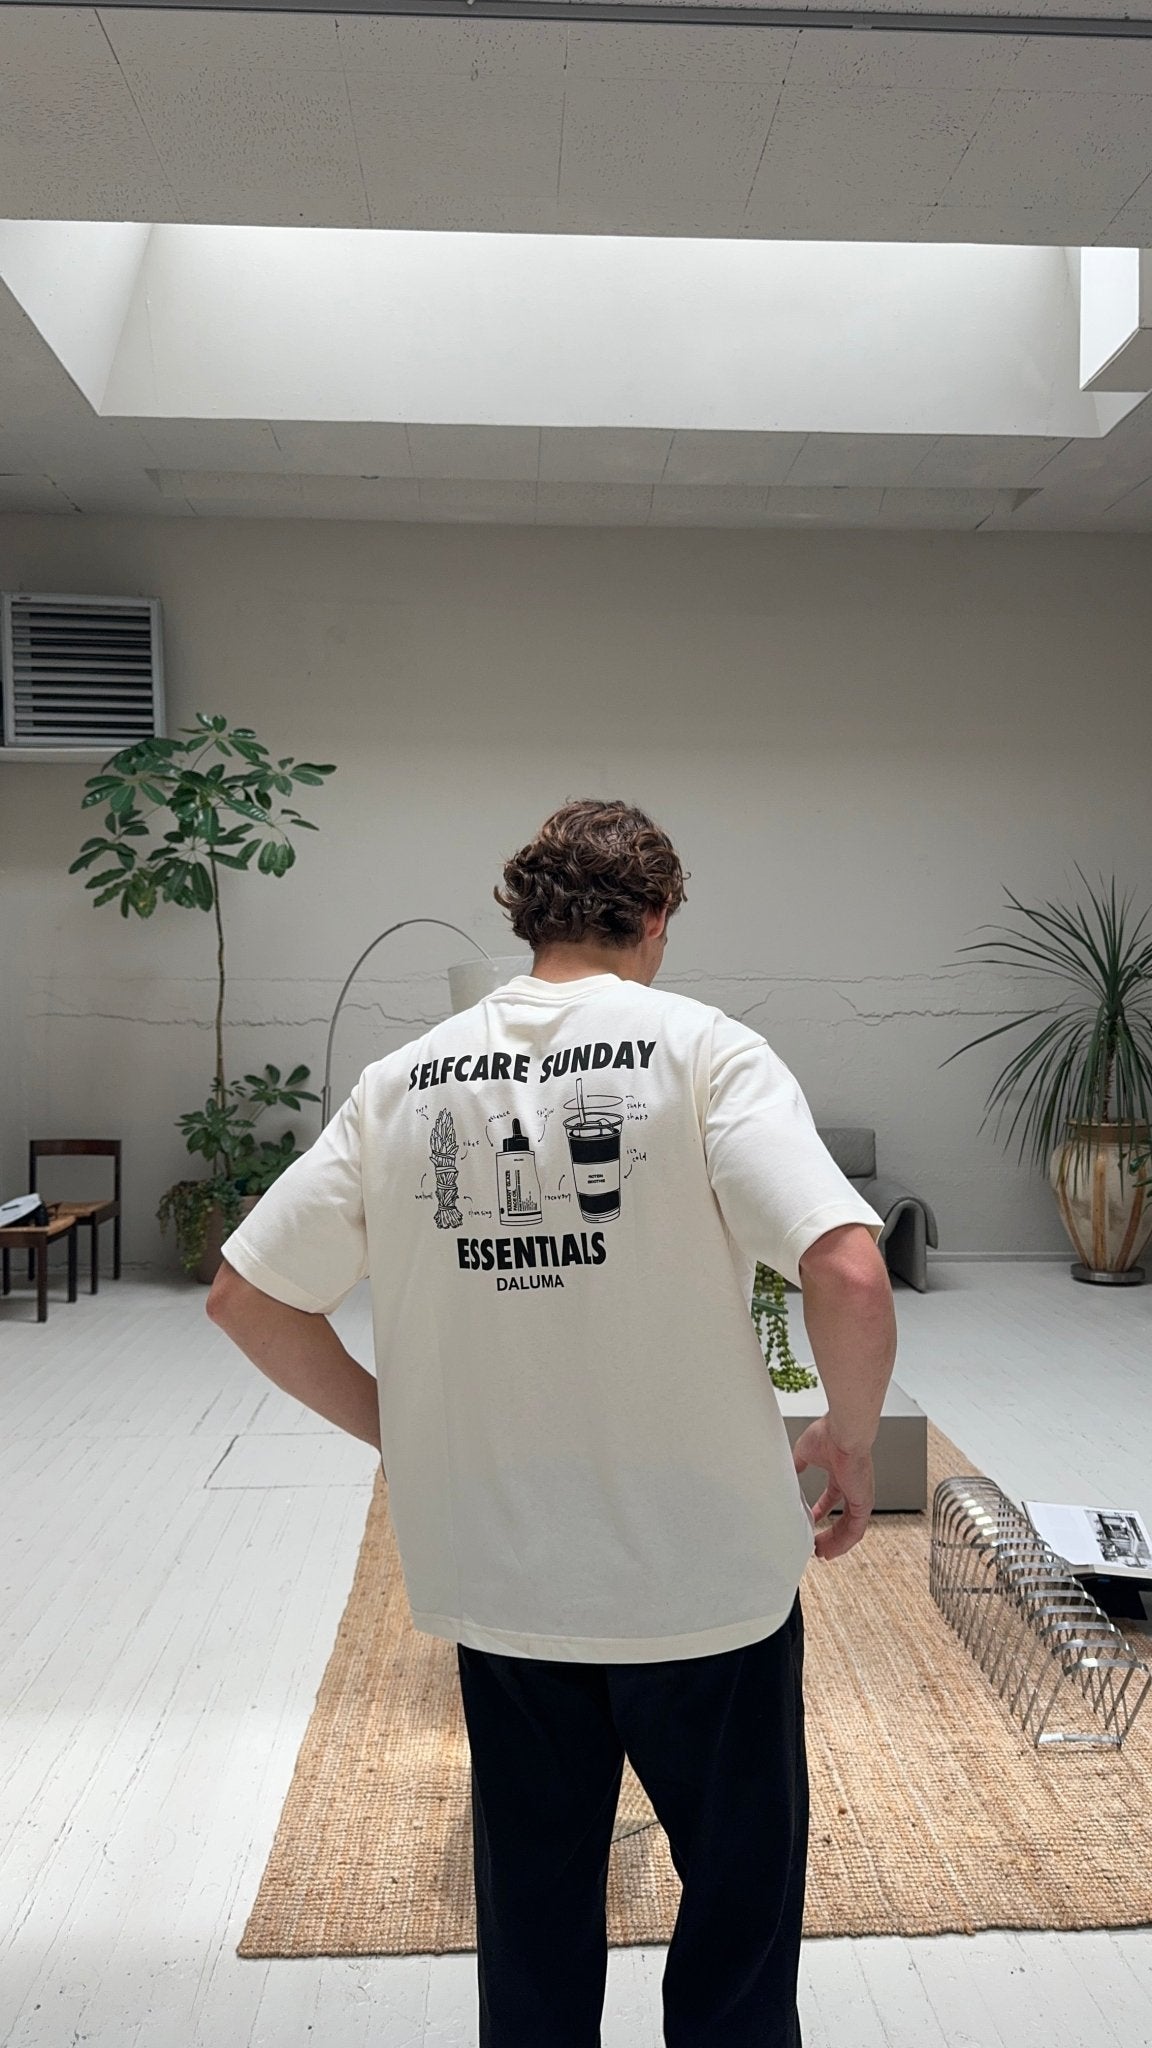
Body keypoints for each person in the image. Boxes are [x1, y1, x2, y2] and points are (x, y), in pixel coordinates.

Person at [207, 797, 898, 2048]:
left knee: (531, 1920)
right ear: (658, 916)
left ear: (525, 916)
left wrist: (404, 1429)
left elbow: (246, 1294)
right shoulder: (706, 1053)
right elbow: (847, 1270)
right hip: (709, 1584)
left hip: (504, 1581)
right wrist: (850, 1442)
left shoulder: (402, 1080)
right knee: (739, 1912)